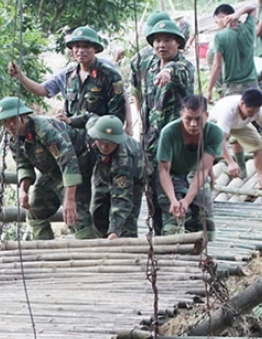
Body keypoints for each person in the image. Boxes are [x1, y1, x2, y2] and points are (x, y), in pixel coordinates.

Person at [0, 96, 95, 240]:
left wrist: (70, 199)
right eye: (5, 122)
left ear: (22, 116)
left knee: (76, 216)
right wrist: (23, 190)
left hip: (76, 170)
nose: (10, 125)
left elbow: (68, 161)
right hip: (51, 174)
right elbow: (23, 165)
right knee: (35, 210)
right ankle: (47, 254)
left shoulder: (44, 130)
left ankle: (92, 256)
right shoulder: (14, 140)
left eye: (13, 120)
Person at [133, 19, 196, 235]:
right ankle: (160, 242)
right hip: (150, 143)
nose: (162, 45)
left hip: (175, 145)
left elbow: (177, 69)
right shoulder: (149, 66)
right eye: (157, 40)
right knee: (152, 196)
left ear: (178, 43)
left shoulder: (184, 66)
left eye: (168, 40)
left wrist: (168, 71)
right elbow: (140, 96)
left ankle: (176, 241)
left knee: (174, 192)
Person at [156, 95, 223, 237]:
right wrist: (174, 200)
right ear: (181, 115)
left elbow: (203, 170)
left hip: (194, 172)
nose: (193, 124)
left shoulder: (214, 133)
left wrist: (187, 200)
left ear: (206, 115)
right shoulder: (169, 132)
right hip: (171, 173)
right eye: (188, 119)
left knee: (205, 222)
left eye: (198, 119)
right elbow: (164, 170)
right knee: (173, 223)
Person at [209, 88, 262, 189]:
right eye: (250, 111)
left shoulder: (260, 111)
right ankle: (210, 179)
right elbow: (220, 140)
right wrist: (230, 162)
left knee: (259, 146)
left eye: (255, 112)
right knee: (208, 151)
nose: (253, 115)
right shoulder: (228, 111)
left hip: (240, 125)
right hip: (215, 122)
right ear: (242, 104)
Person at [86, 115, 144, 238]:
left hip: (134, 178)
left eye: (109, 143)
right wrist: (70, 120)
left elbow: (122, 197)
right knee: (97, 210)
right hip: (103, 169)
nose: (104, 146)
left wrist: (114, 231)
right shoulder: (94, 128)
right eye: (101, 141)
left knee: (127, 222)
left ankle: (127, 251)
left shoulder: (124, 160)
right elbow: (88, 117)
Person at [208, 3, 259, 100]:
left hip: (233, 87)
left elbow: (216, 66)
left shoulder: (220, 36)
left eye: (217, 21)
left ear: (223, 17)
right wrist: (238, 13)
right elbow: (252, 7)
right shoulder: (248, 28)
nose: (217, 25)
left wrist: (209, 90)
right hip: (252, 85)